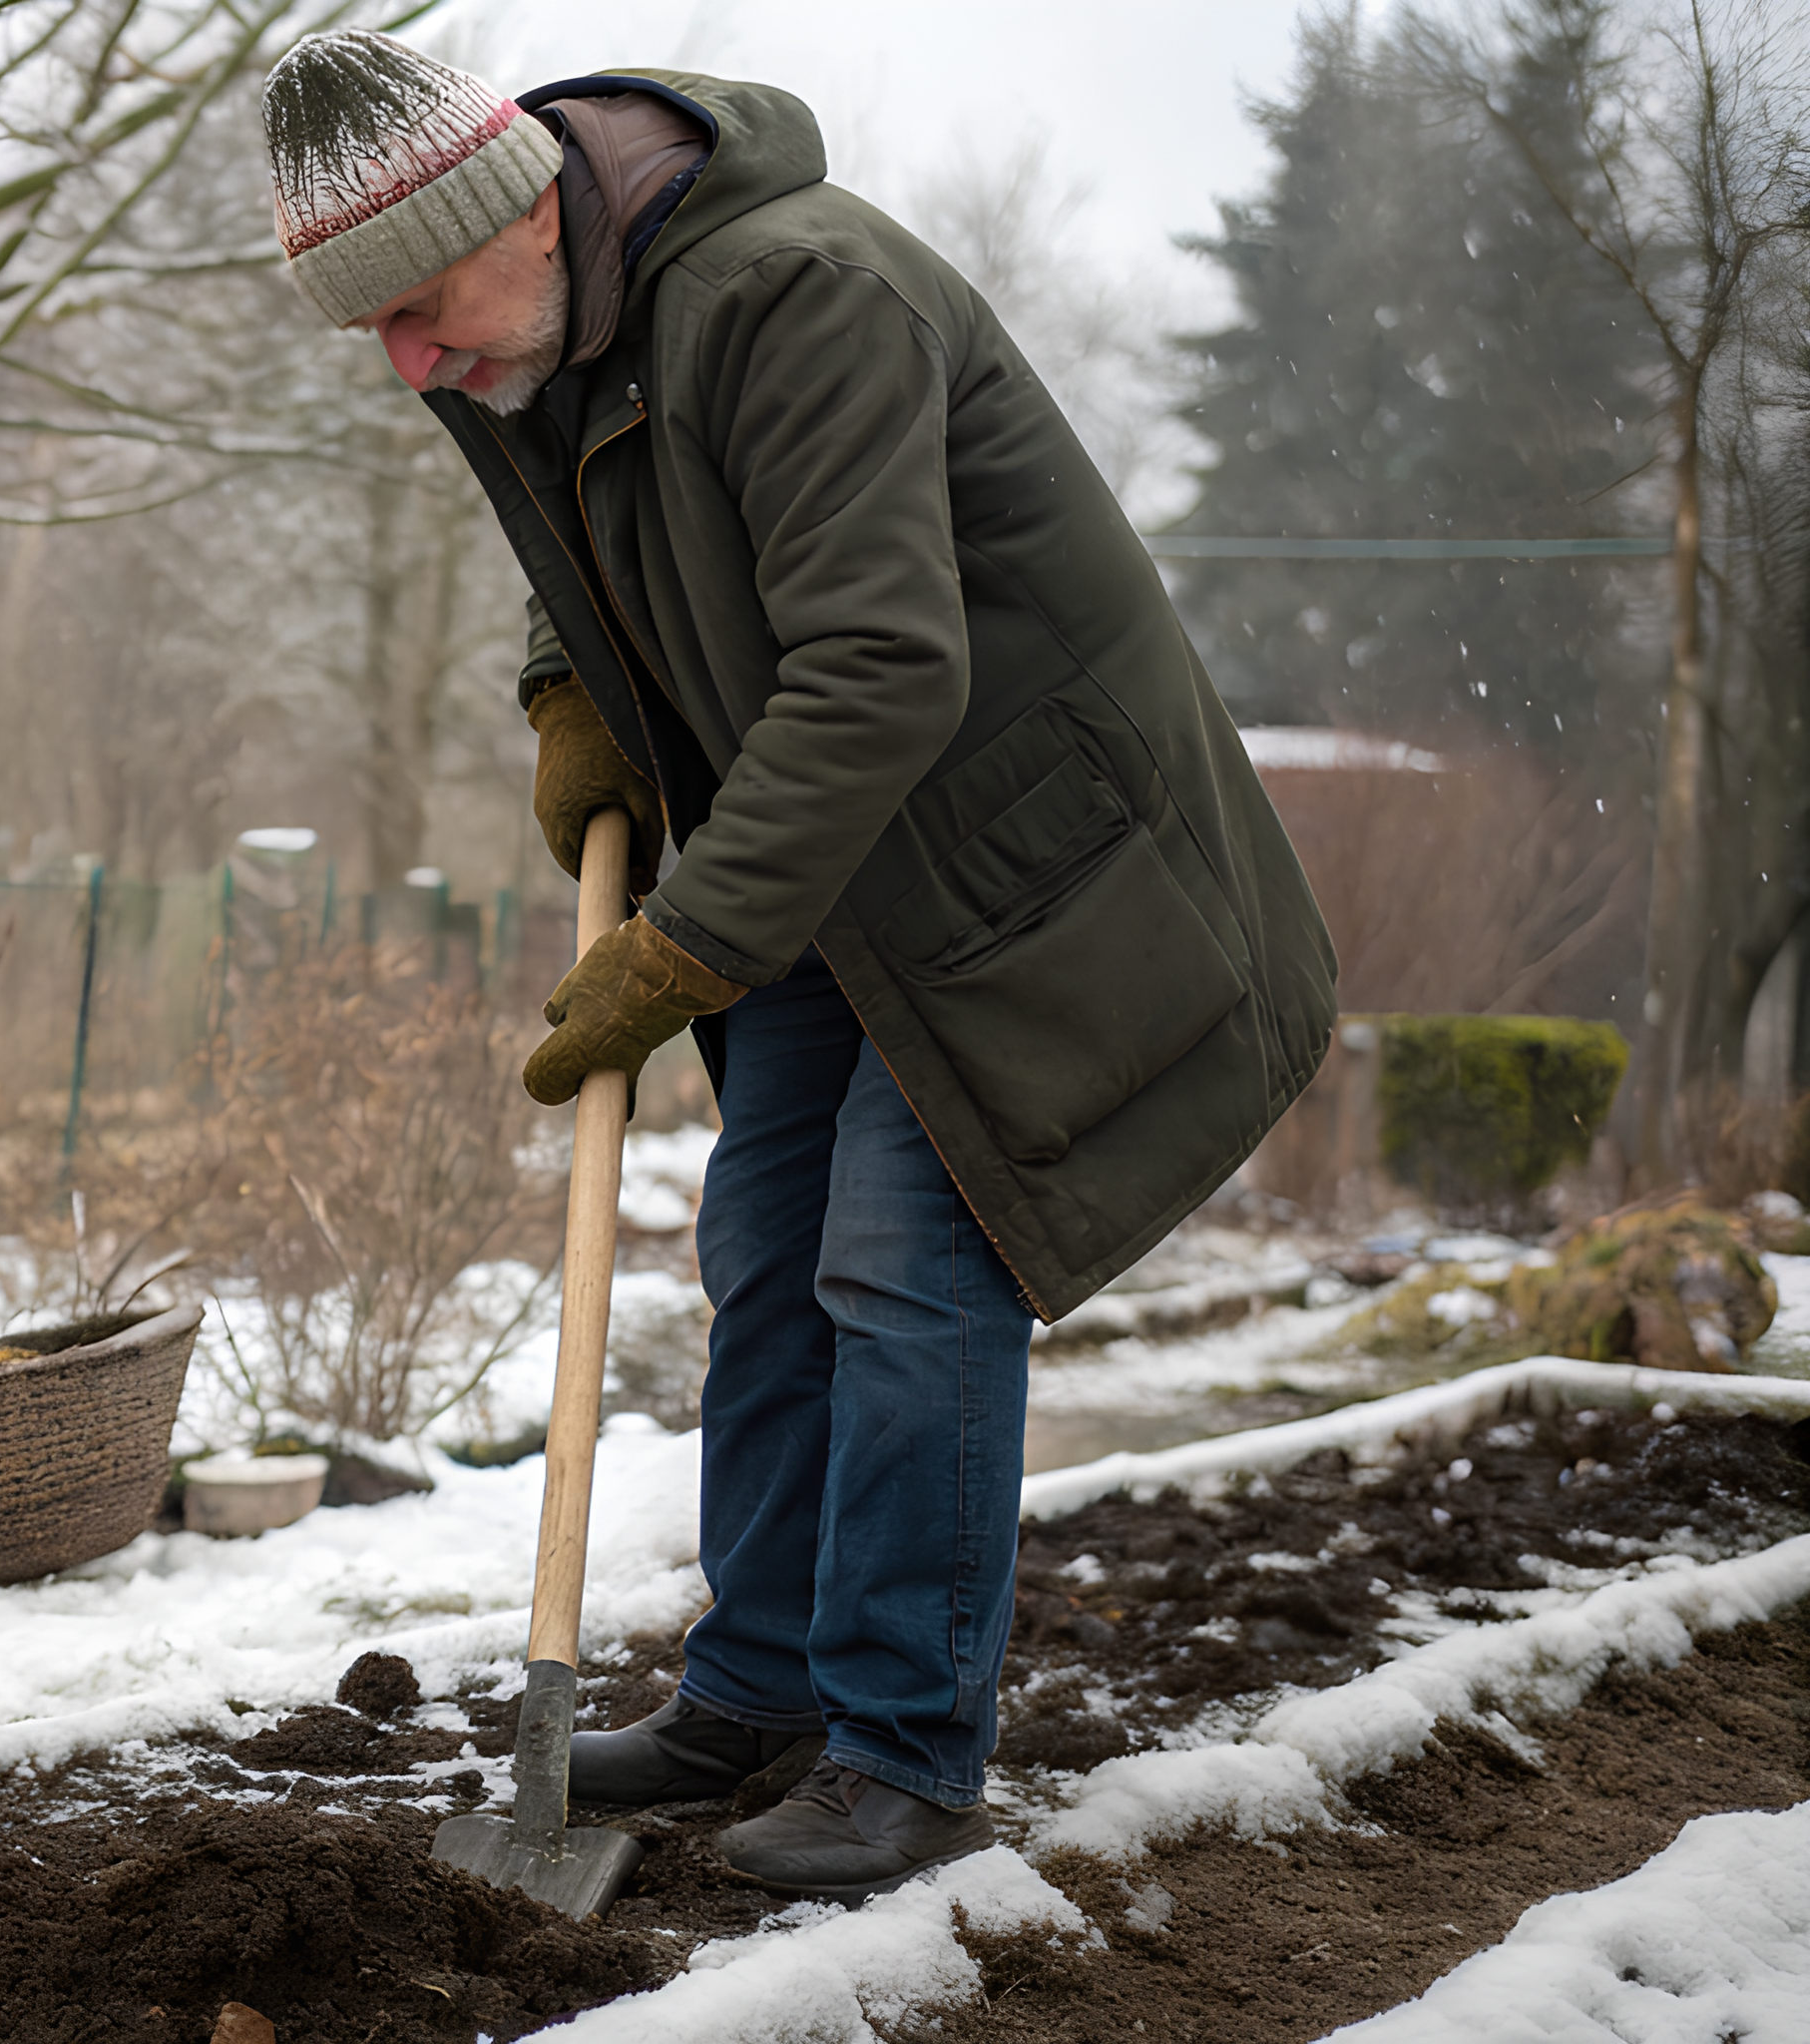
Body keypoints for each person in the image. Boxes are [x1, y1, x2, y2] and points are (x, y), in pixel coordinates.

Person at [258, 38, 1334, 1899]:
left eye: (419, 310)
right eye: (377, 328)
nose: (408, 362)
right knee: (765, 1262)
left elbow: (878, 666)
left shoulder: (794, 295)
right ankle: (752, 1699)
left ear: (522, 211)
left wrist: (685, 940)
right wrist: (560, 695)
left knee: (906, 1279)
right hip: (836, 859)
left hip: (1014, 872)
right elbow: (589, 516)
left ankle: (905, 1755)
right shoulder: (557, 312)